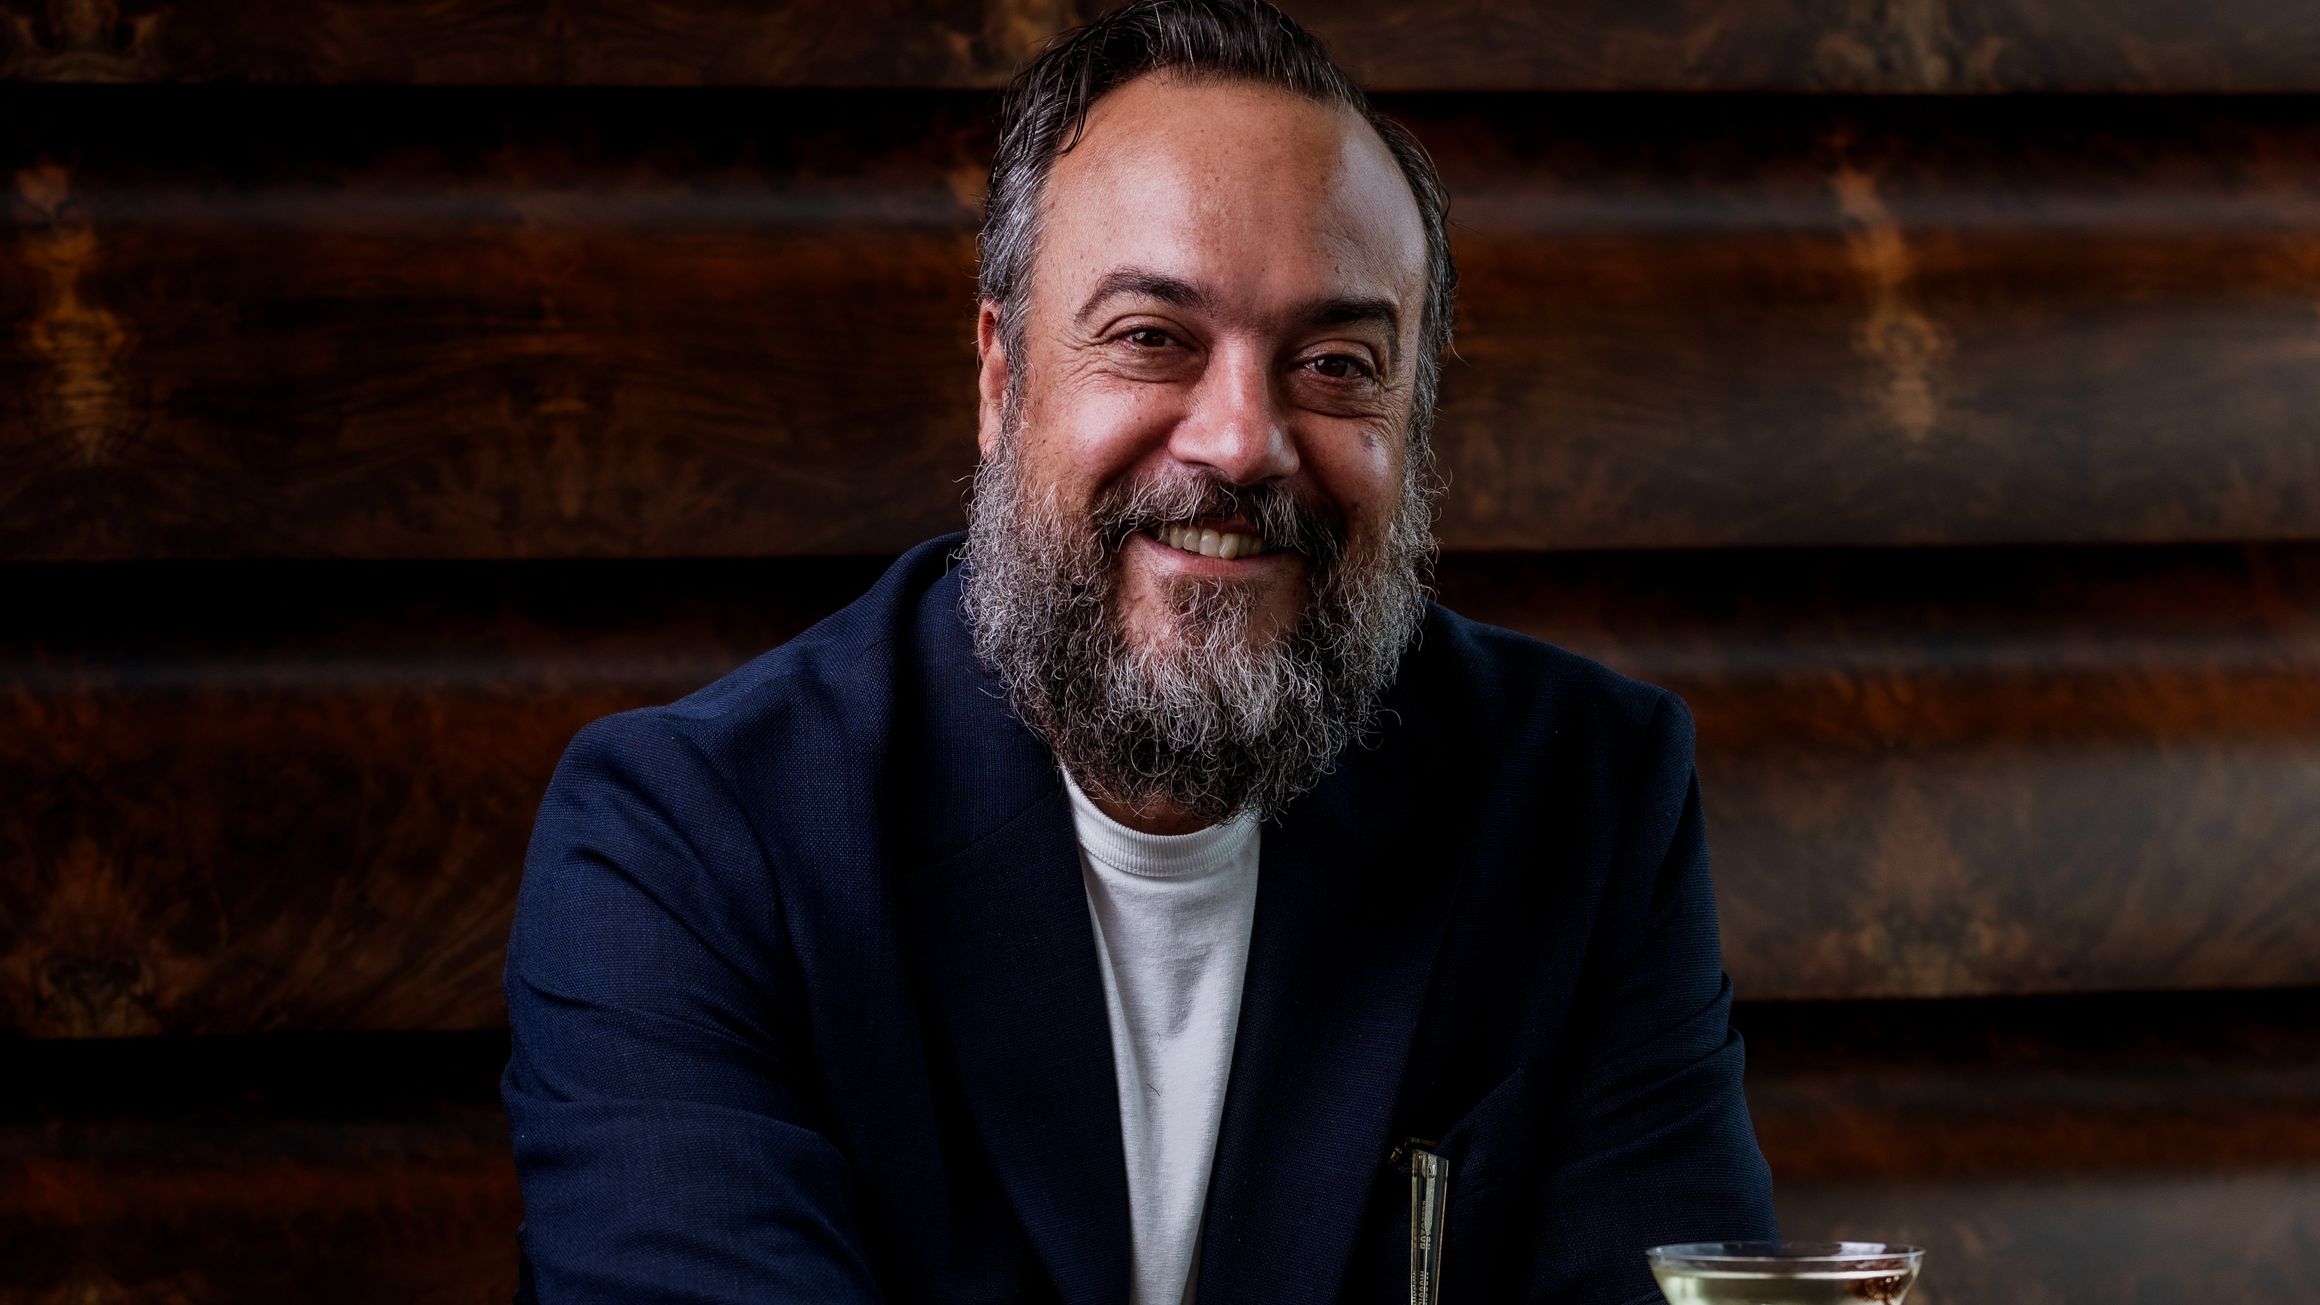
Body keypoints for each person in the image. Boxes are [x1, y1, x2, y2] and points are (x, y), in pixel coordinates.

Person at [500, 1, 1777, 1301]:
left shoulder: (1582, 799)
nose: (1240, 442)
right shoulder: (692, 843)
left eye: (1335, 363)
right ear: (1002, 377)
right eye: (1152, 338)